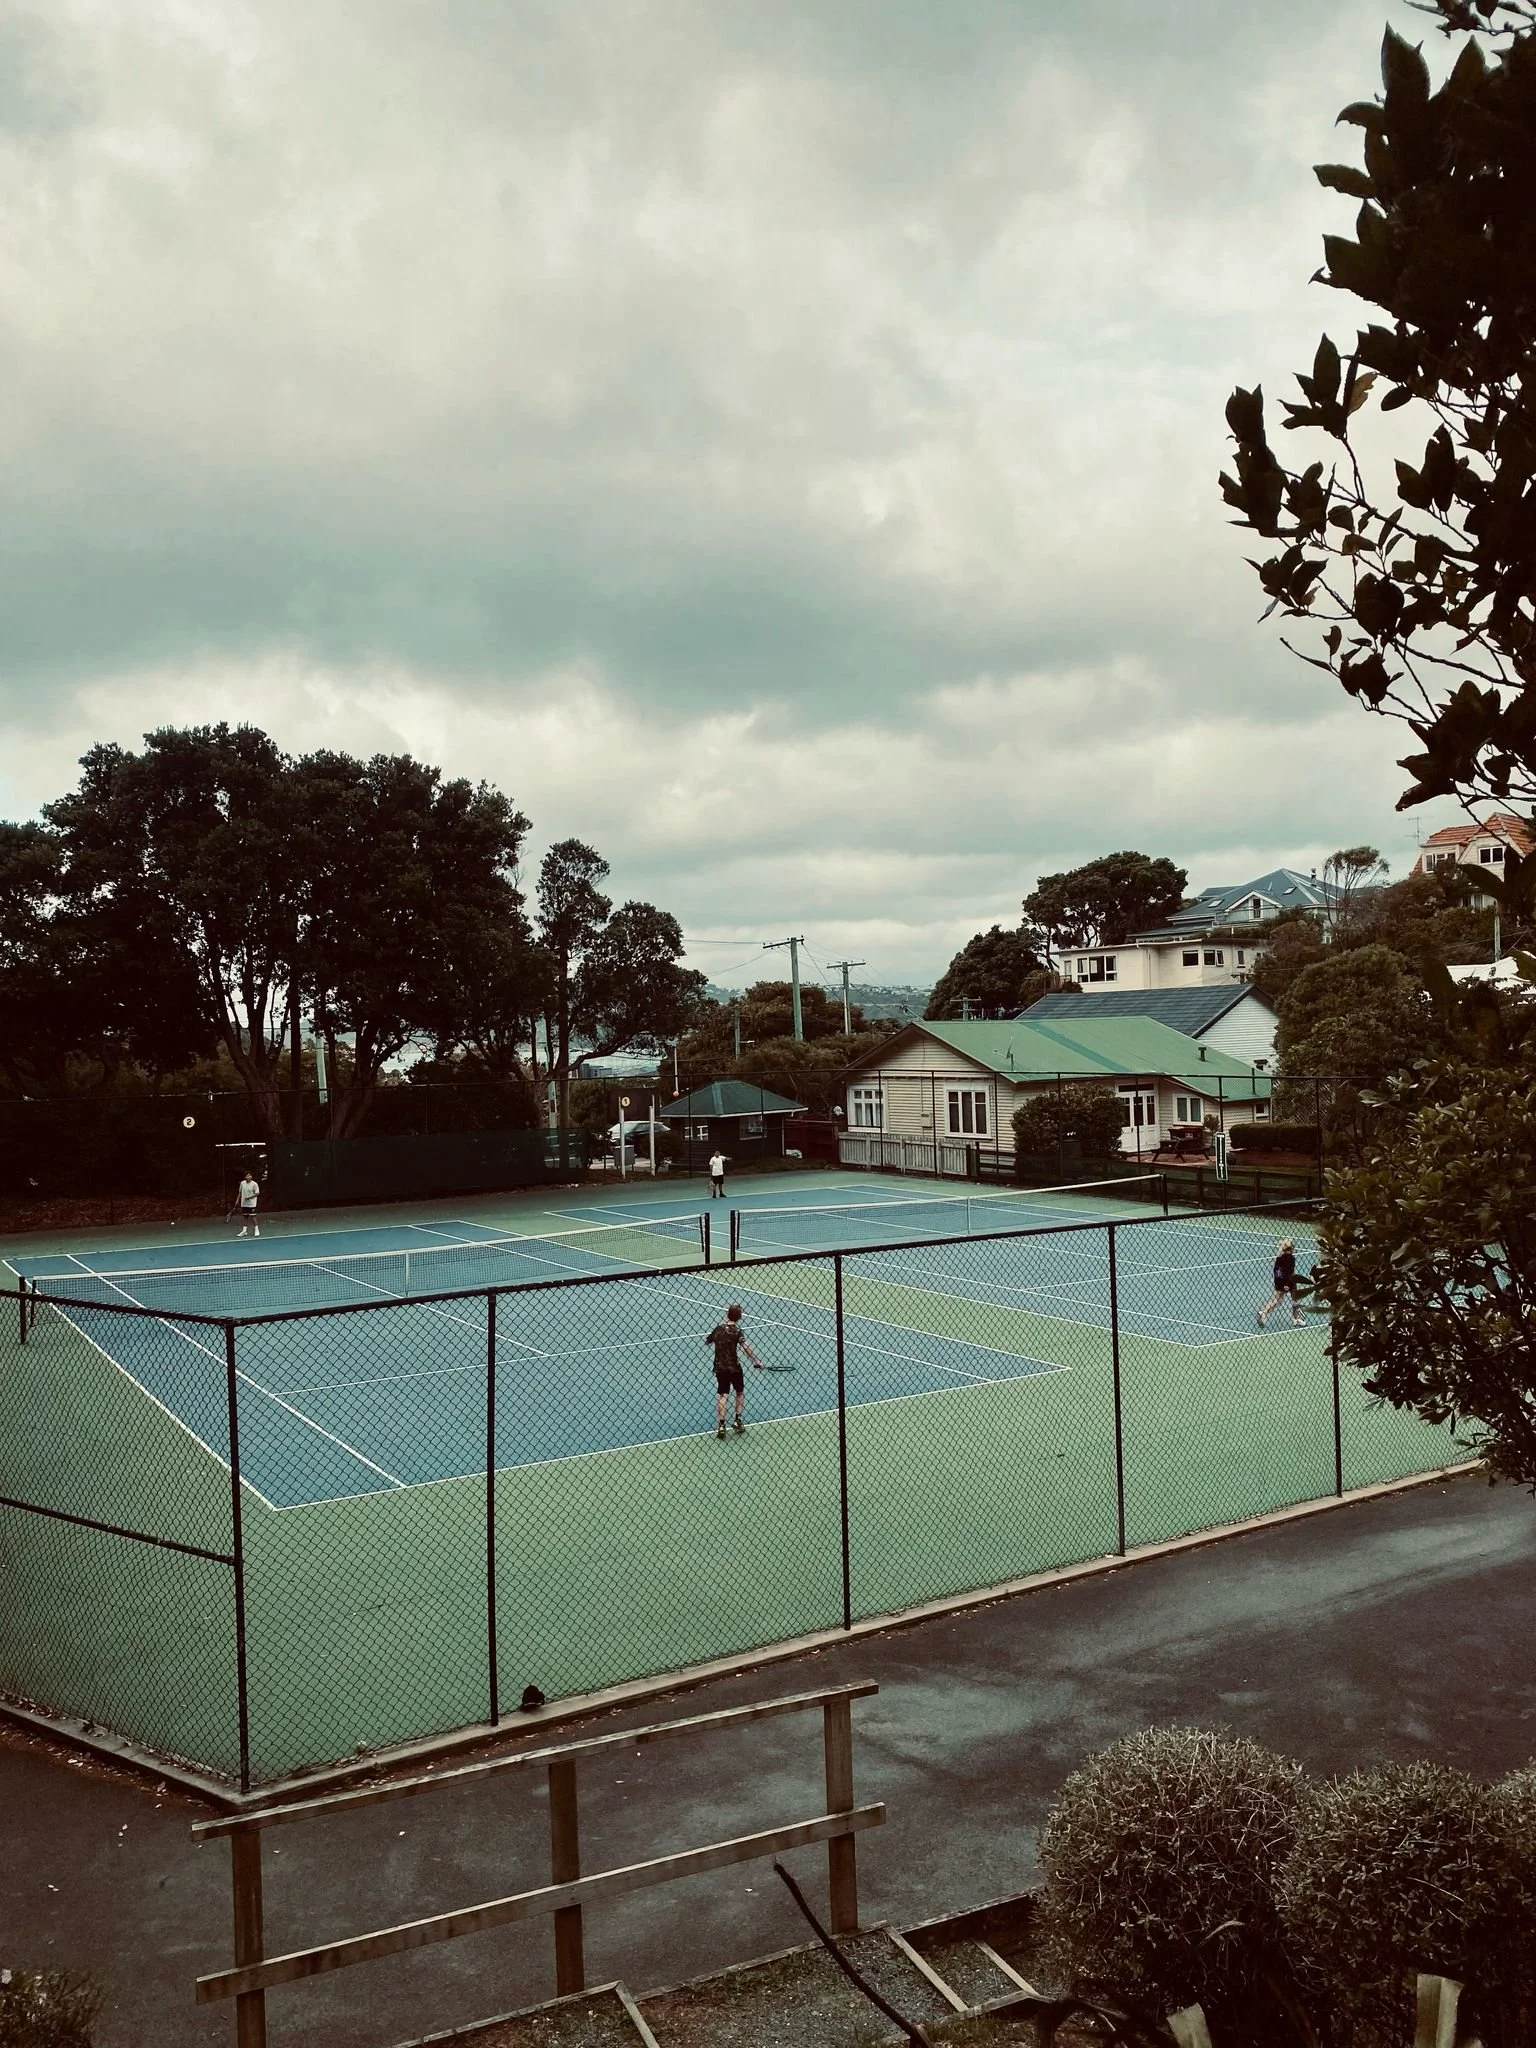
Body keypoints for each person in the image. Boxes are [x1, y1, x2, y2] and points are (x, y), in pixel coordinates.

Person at [706, 1303, 762, 1437]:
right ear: (739, 1317)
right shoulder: (737, 1331)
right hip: (734, 1368)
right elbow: (746, 1347)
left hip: (720, 1367)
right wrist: (756, 1361)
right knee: (740, 1392)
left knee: (723, 1394)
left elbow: (708, 1340)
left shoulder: (718, 1329)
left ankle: (721, 1425)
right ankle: (737, 1420)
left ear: (728, 1314)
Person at [1257, 1238, 1302, 1327]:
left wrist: (1280, 1281)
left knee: (1277, 1300)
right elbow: (1288, 1272)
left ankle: (1263, 1312)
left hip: (1278, 1280)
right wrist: (1286, 1284)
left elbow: (1276, 1270)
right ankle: (1296, 1319)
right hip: (1288, 1281)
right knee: (1295, 1298)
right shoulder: (1291, 1258)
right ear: (1291, 1248)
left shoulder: (1279, 1257)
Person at [235, 1170, 262, 1238]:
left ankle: (257, 1230)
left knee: (253, 1216)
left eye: (250, 1176)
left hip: (252, 1204)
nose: (248, 1177)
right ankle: (244, 1231)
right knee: (245, 1217)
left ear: (251, 1176)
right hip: (244, 1204)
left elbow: (257, 1193)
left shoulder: (254, 1184)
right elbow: (240, 1192)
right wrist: (237, 1200)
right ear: (245, 1177)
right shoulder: (242, 1183)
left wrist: (249, 1197)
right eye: (247, 1176)